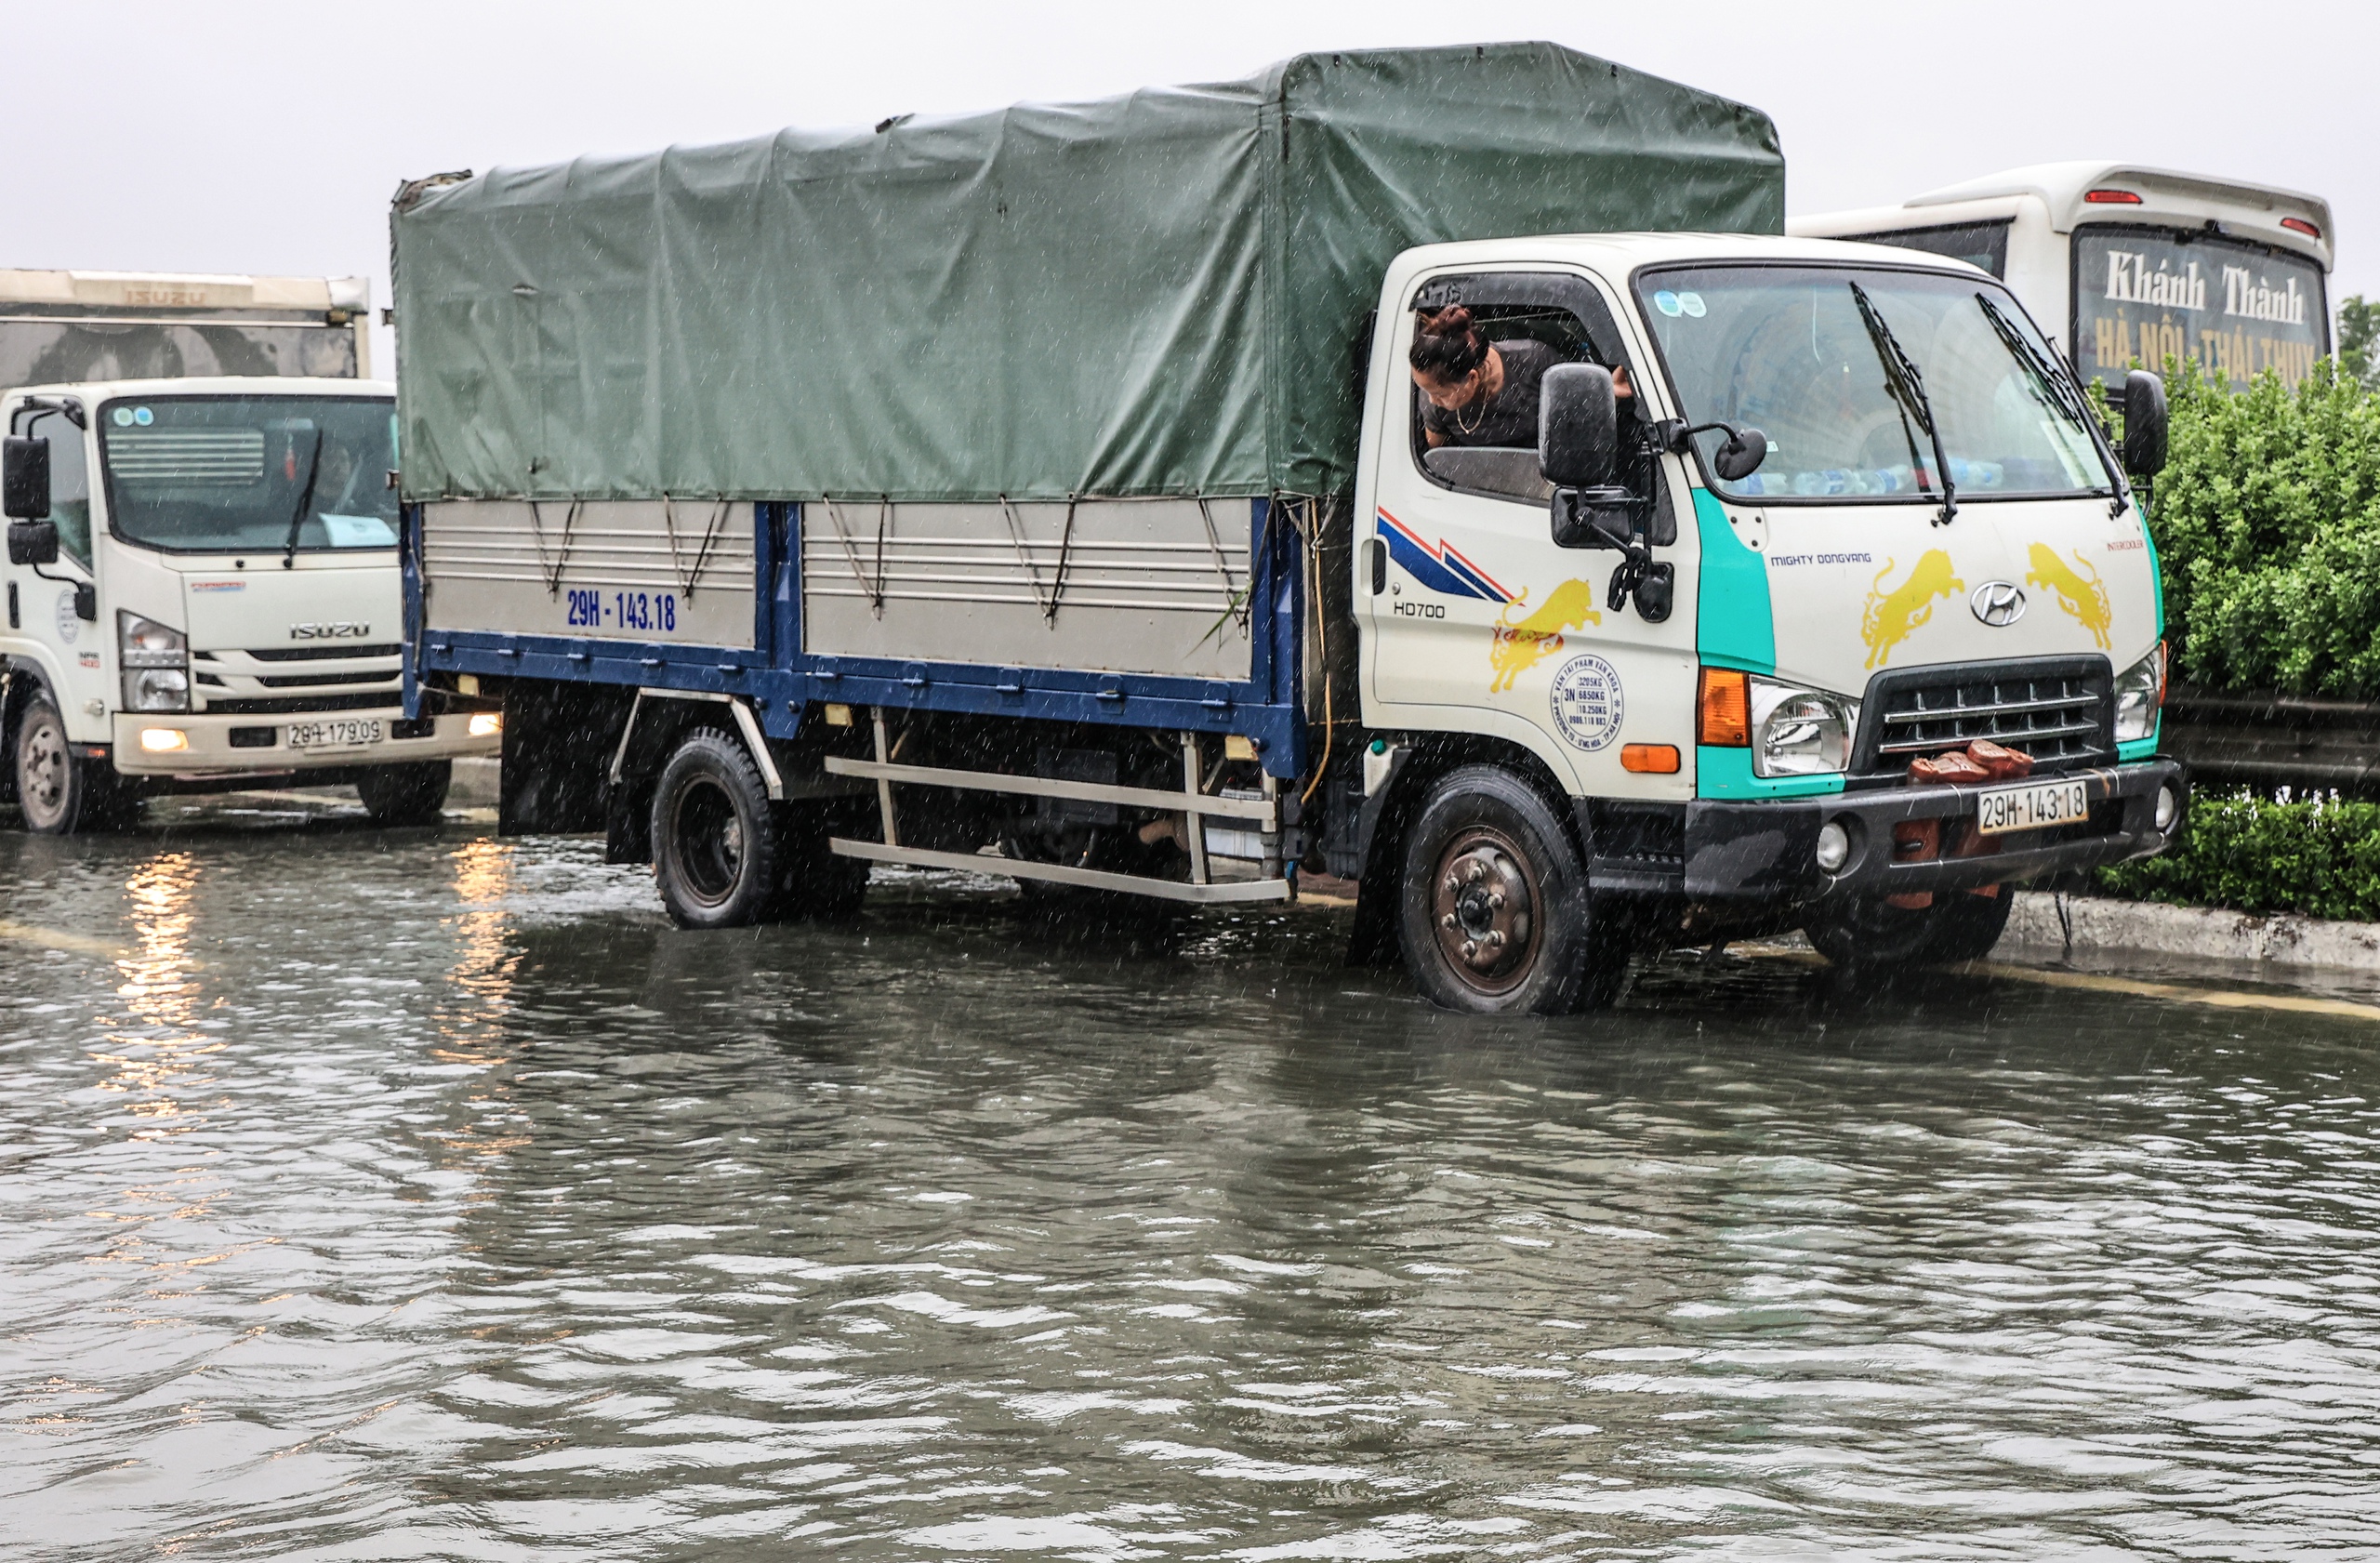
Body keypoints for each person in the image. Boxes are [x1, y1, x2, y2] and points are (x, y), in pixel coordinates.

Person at [1410, 305, 1636, 448]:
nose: (1431, 400)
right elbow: (1438, 458)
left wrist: (1607, 396)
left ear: (1471, 379)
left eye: (1439, 394)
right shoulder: (1433, 397)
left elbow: (1578, 422)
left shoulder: (1534, 362)